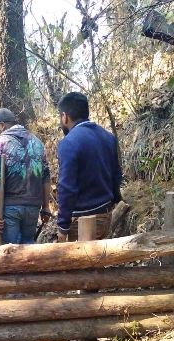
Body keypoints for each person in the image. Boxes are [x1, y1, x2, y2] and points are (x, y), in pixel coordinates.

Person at [54, 92, 123, 242]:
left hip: (82, 221)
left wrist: (63, 226)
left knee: (82, 263)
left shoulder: (68, 143)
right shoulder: (108, 137)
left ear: (65, 116)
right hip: (105, 213)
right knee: (97, 261)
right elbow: (116, 174)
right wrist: (115, 200)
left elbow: (66, 187)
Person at [0, 108, 52, 244]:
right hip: (33, 206)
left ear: (2, 125)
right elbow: (45, 176)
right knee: (28, 245)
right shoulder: (37, 142)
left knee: (10, 250)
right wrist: (45, 207)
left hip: (10, 207)